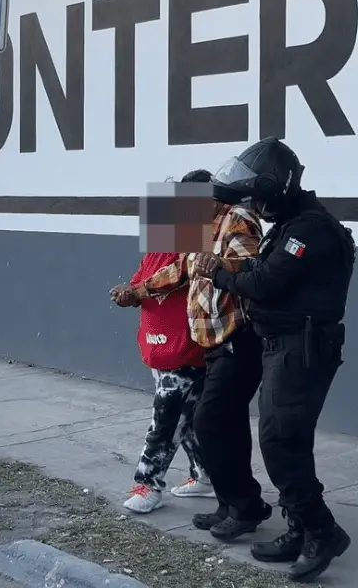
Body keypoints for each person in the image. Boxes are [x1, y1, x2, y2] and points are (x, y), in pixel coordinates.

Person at [190, 137, 356, 583]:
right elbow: (260, 273)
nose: (256, 206)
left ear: (276, 186)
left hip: (302, 348)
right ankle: (300, 529)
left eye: (258, 196)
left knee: (280, 442)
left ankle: (321, 530)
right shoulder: (289, 225)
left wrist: (217, 271)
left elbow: (264, 284)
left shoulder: (309, 230)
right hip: (285, 346)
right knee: (287, 441)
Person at [118, 168, 273, 539]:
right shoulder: (194, 226)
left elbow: (251, 274)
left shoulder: (235, 220)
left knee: (183, 416)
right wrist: (137, 291)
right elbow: (174, 269)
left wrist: (218, 268)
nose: (176, 211)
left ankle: (150, 484)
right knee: (203, 419)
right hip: (191, 339)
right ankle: (223, 494)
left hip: (221, 340)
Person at [110, 174, 217, 514]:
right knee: (188, 419)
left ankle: (148, 484)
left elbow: (178, 276)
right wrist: (127, 292)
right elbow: (142, 279)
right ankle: (206, 476)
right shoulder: (161, 244)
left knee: (166, 420)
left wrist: (136, 291)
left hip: (186, 349)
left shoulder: (201, 245)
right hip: (160, 346)